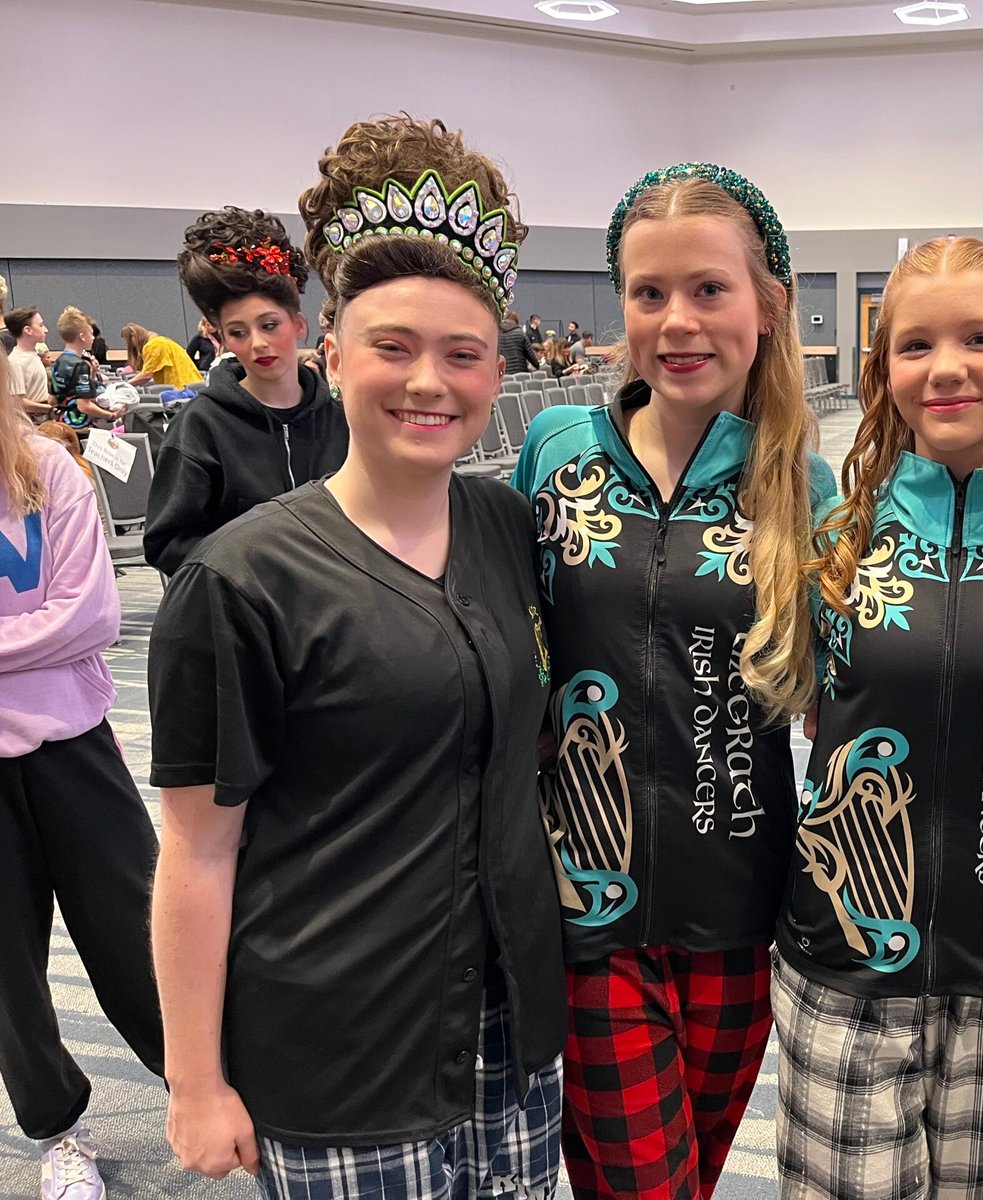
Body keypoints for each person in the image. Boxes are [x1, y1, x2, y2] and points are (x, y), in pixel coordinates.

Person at [148, 114, 566, 1199]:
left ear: (496, 370)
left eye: (463, 354)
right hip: (340, 1051)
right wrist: (194, 1079)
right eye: (393, 347)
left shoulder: (506, 529)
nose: (429, 381)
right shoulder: (241, 580)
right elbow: (195, 850)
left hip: (511, 1033)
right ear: (332, 356)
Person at [767, 235, 983, 1198]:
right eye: (916, 344)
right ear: (883, 370)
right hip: (842, 953)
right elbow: (801, 717)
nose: (948, 367)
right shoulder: (834, 542)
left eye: (980, 338)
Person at [511, 161, 832, 1200]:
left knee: (681, 1177)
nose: (677, 321)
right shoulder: (557, 449)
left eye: (708, 289)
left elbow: (844, 692)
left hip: (739, 904)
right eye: (649, 292)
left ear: (767, 305)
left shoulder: (806, 487)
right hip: (585, 902)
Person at [1, 369, 165, 1200]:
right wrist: (36, 638)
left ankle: (209, 1085)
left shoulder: (46, 469)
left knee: (140, 931)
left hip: (72, 744)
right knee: (7, 974)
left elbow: (93, 615)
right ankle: (59, 1133)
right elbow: (57, 622)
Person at [143, 206, 349, 576]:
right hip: (241, 603)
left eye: (269, 325)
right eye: (238, 332)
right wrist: (252, 568)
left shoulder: (341, 419)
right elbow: (168, 543)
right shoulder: (201, 426)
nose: (258, 344)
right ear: (222, 338)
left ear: (298, 325)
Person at [52, 308, 125, 430]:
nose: (93, 338)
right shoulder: (81, 365)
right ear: (82, 336)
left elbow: (52, 400)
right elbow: (84, 406)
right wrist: (111, 415)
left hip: (61, 424)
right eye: (91, 334)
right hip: (80, 426)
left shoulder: (58, 362)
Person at [5, 306, 54, 421]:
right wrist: (50, 409)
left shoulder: (33, 355)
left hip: (43, 415)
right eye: (41, 325)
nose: (45, 330)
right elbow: (17, 402)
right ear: (28, 330)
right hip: (31, 421)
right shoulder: (16, 362)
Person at [121, 323, 203, 388]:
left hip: (182, 387)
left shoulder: (153, 345)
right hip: (192, 384)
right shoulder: (161, 341)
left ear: (133, 337)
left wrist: (124, 384)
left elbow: (146, 375)